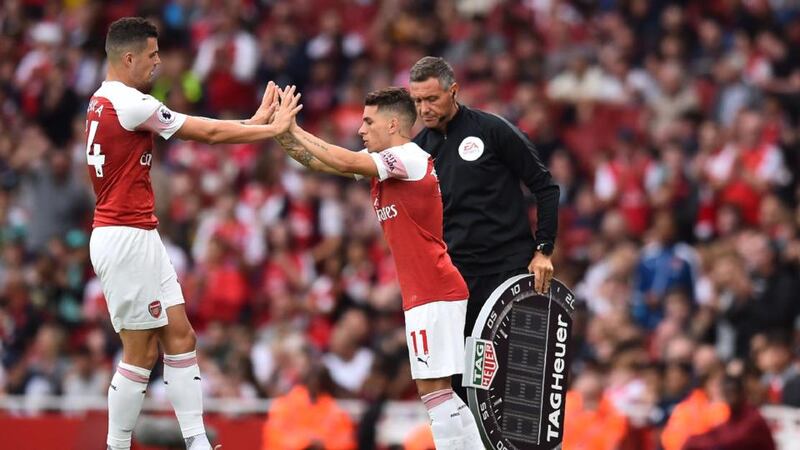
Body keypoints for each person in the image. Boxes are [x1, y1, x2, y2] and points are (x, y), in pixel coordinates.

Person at [86, 17, 301, 450]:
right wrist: (268, 130)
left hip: (139, 233)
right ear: (128, 58)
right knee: (140, 351)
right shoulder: (130, 103)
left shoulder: (102, 99)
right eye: (152, 54)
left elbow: (208, 125)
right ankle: (116, 445)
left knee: (181, 335)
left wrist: (254, 119)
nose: (158, 63)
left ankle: (198, 442)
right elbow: (207, 132)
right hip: (124, 236)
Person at [276, 86, 483, 449]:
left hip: (434, 289)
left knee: (434, 391)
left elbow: (343, 160)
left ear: (392, 124)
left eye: (368, 121)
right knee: (439, 392)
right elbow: (317, 162)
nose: (360, 130)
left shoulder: (410, 157)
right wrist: (280, 131)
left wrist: (295, 128)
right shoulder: (387, 168)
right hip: (425, 291)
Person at [408, 56, 560, 393]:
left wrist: (543, 250)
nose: (424, 109)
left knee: (510, 378)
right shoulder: (417, 152)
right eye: (417, 101)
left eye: (432, 98)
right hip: (458, 282)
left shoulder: (492, 130)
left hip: (505, 272)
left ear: (454, 91)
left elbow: (545, 187)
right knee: (467, 383)